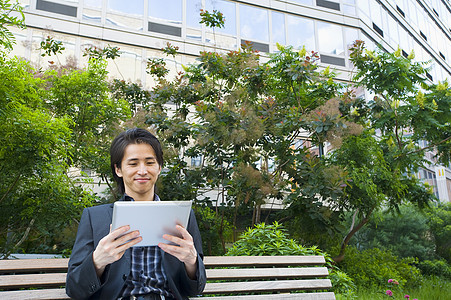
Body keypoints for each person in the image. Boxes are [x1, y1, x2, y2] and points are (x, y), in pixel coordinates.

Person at [66, 128, 206, 300]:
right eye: (133, 164)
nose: (142, 171)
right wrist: (97, 261)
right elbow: (74, 289)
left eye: (149, 162)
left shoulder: (181, 215)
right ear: (118, 169)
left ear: (159, 167)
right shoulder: (94, 218)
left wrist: (191, 262)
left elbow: (196, 289)